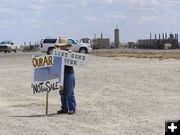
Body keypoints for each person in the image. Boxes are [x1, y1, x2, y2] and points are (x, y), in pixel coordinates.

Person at [55, 37, 76, 115]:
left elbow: (75, 60)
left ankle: (72, 108)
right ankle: (64, 108)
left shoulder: (70, 52)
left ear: (66, 45)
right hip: (60, 74)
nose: (62, 47)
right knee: (62, 92)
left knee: (69, 91)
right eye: (61, 45)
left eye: (63, 45)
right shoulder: (57, 53)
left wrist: (70, 54)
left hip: (69, 73)